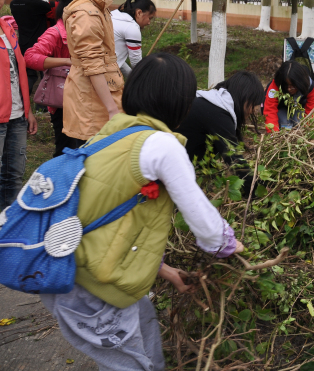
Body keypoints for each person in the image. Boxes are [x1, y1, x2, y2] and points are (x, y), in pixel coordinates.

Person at [39, 52, 245, 371]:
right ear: (180, 104)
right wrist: (229, 244)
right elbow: (204, 222)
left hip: (81, 273)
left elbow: (117, 218)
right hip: (90, 286)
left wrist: (165, 271)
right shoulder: (163, 146)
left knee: (145, 334)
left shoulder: (113, 132)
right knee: (133, 364)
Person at [62, 0, 125, 147]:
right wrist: (111, 108)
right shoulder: (86, 13)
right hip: (93, 103)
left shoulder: (97, 6)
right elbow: (93, 65)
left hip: (102, 95)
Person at [24, 0, 80, 157]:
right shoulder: (56, 33)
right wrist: (66, 61)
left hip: (83, 100)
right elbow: (30, 56)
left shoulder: (84, 30)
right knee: (66, 152)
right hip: (63, 101)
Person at [0, 0, 38, 210]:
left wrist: (28, 110)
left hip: (17, 115)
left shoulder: (7, 28)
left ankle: (7, 229)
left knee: (13, 177)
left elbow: (19, 69)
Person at [178, 71, 264, 165]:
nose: (252, 111)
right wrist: (259, 180)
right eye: (253, 104)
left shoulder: (212, 103)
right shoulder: (219, 114)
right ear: (245, 97)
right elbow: (236, 164)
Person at [9, 0, 52, 94]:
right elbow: (50, 8)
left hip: (23, 44)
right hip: (40, 45)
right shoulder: (37, 4)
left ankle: (24, 100)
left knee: (29, 75)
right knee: (45, 74)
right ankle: (44, 102)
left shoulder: (13, 4)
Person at [263, 61, 314, 131]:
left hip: (299, 107)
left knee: (298, 121)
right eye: (286, 85)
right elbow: (270, 110)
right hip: (280, 108)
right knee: (284, 122)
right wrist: (273, 134)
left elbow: (312, 111)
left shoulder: (310, 86)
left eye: (293, 86)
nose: (289, 89)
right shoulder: (275, 86)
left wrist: (309, 131)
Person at [112, 0, 155, 77]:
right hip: (103, 72)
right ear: (139, 13)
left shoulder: (113, 14)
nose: (149, 22)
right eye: (150, 18)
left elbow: (116, 59)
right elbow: (136, 62)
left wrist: (131, 76)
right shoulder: (131, 27)